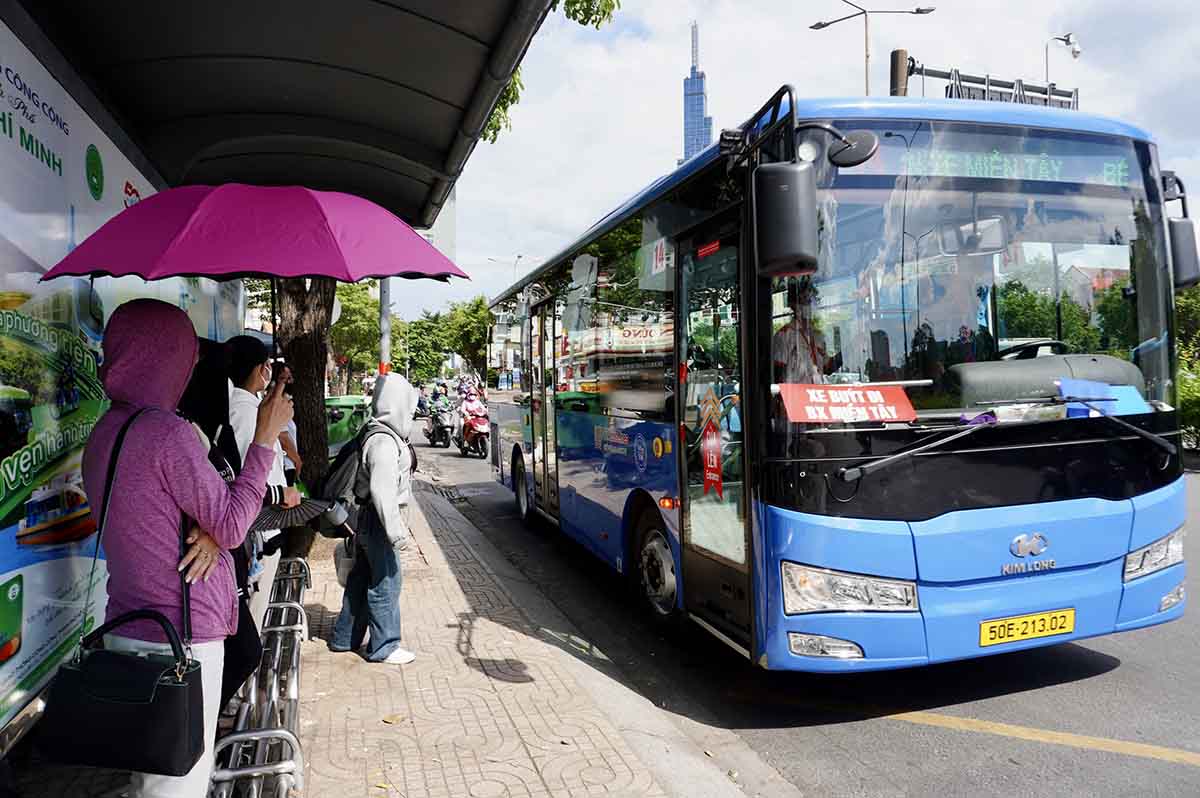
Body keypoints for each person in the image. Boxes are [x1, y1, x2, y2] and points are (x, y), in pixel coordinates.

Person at [81, 299, 293, 798]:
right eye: (184, 353)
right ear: (158, 357)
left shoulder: (104, 432)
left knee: (149, 773)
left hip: (129, 628)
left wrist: (207, 530)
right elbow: (235, 522)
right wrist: (265, 439)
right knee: (177, 783)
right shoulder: (166, 434)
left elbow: (145, 521)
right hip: (181, 639)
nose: (192, 365)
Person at [330, 373, 417, 664]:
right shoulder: (383, 441)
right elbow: (382, 491)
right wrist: (397, 532)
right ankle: (384, 647)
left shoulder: (377, 431)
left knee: (361, 580)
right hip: (379, 522)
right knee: (386, 581)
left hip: (369, 519)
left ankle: (344, 638)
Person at [226, 336, 299, 631]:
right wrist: (280, 493)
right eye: (267, 366)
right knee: (252, 620)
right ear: (261, 369)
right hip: (259, 525)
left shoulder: (251, 406)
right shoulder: (243, 411)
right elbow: (245, 474)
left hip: (267, 522)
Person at [772, 277, 841, 384]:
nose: (810, 305)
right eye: (805, 300)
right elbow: (776, 375)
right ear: (794, 304)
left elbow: (828, 367)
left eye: (812, 300)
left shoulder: (818, 336)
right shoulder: (784, 335)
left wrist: (848, 351)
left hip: (817, 396)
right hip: (796, 398)